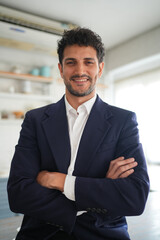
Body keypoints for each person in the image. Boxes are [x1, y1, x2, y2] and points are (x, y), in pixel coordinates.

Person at [7, 27, 149, 240]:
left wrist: (60, 181)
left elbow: (135, 197)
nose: (80, 70)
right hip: (41, 232)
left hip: (103, 233)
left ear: (100, 68)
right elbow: (18, 195)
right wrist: (102, 188)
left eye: (88, 62)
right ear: (61, 69)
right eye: (71, 62)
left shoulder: (123, 121)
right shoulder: (35, 120)